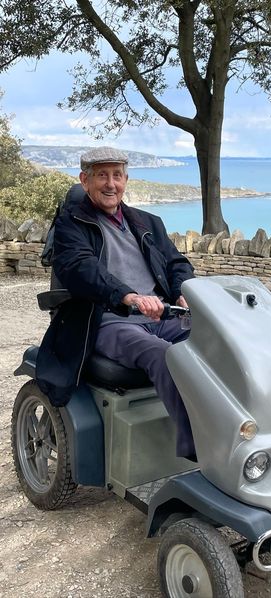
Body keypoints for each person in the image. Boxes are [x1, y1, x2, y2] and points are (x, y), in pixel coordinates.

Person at [36, 147, 196, 459]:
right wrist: (127, 295)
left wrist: (182, 290)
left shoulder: (148, 222)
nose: (111, 183)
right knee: (163, 355)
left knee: (216, 344)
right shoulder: (71, 225)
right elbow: (81, 268)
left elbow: (178, 263)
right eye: (101, 175)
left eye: (117, 175)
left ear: (125, 180)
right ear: (85, 180)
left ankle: (245, 429)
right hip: (106, 320)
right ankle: (202, 451)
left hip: (161, 315)